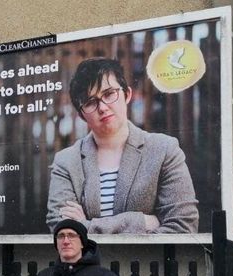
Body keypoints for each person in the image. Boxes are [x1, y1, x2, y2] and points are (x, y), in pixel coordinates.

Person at [46, 57, 199, 234]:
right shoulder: (66, 161)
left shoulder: (164, 150)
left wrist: (86, 225)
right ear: (81, 115)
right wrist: (141, 221)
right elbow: (63, 230)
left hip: (147, 261)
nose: (102, 107)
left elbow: (184, 227)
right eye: (90, 102)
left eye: (109, 94)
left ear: (127, 94)